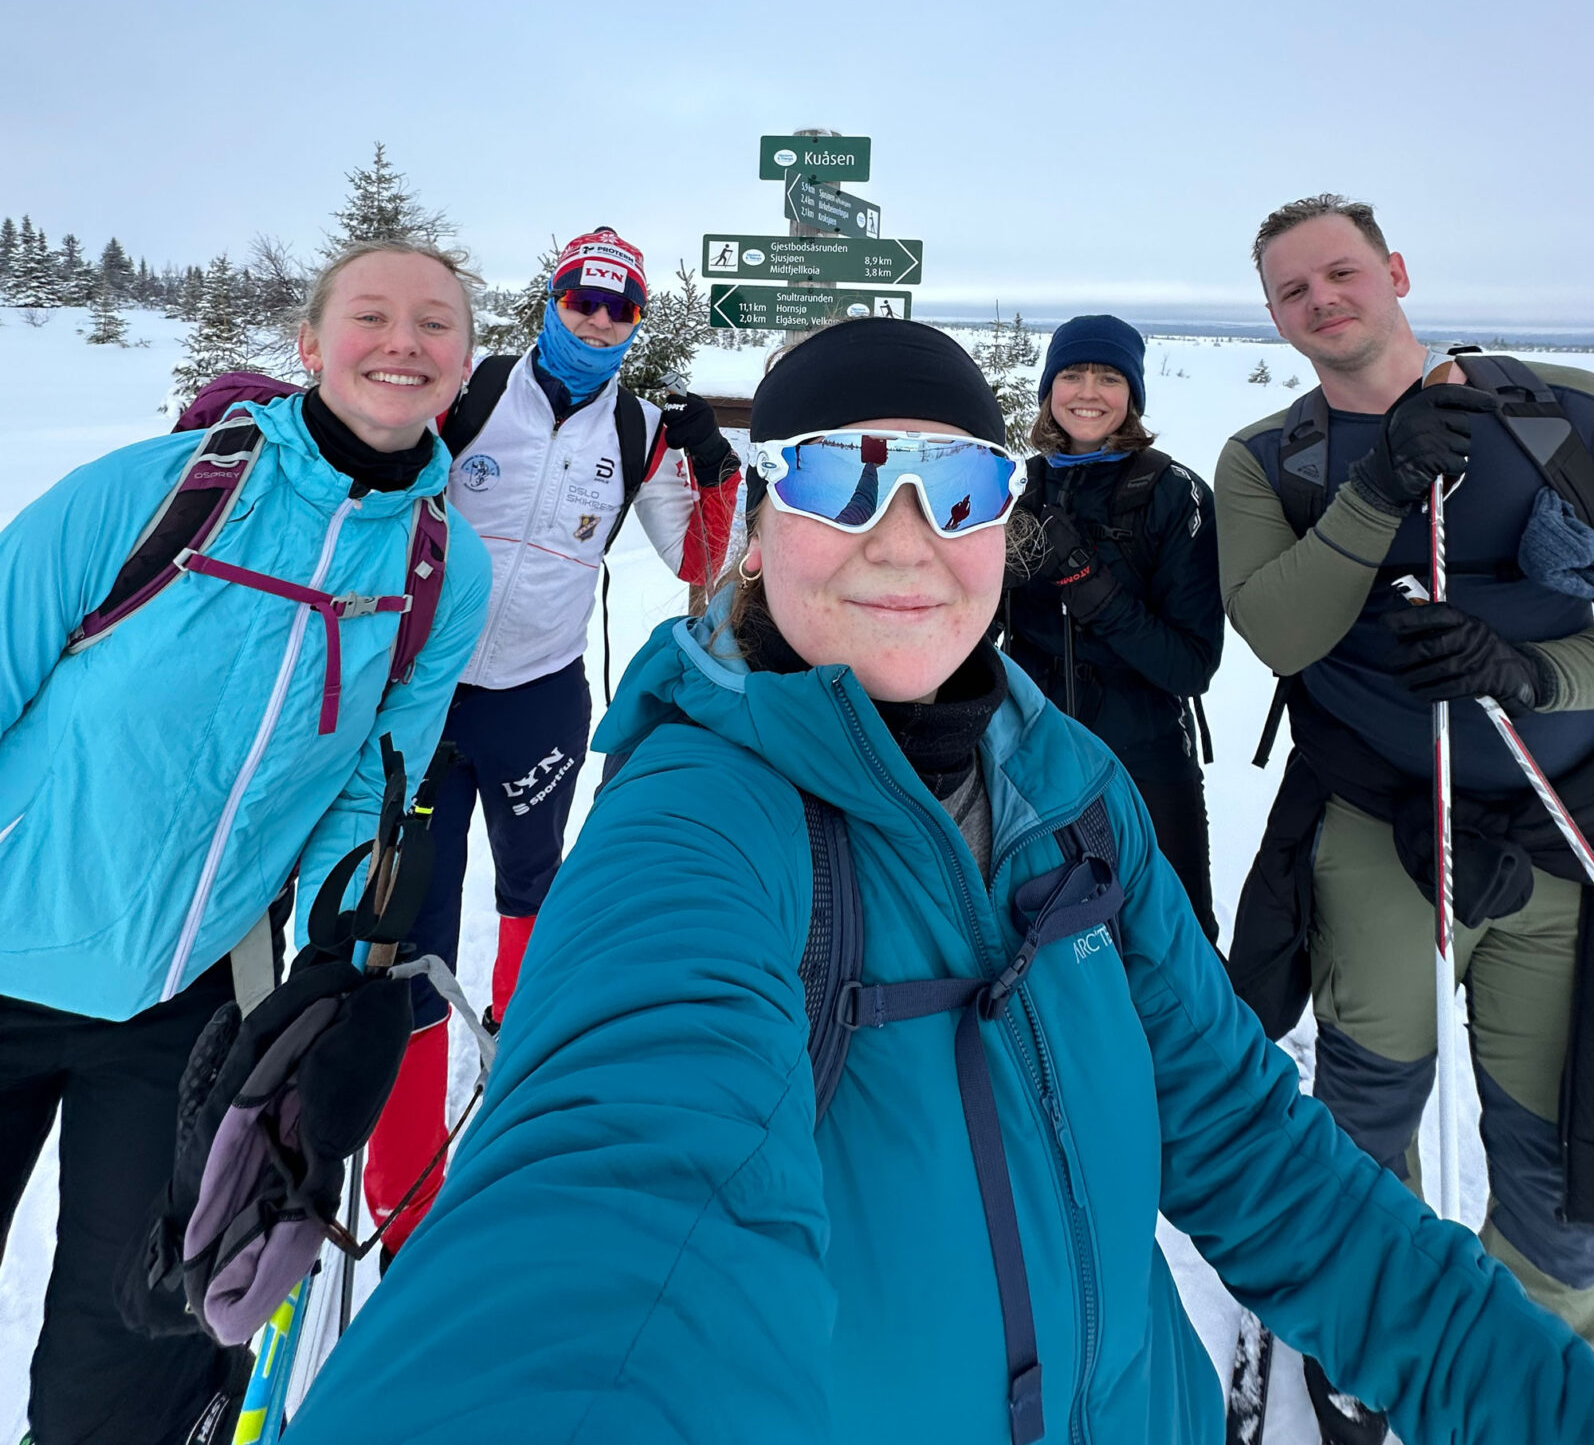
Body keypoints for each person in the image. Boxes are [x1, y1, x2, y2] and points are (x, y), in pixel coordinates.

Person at [288, 317, 1594, 1445]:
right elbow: (613, 1207)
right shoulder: (693, 822)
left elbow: (1260, 1159)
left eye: (957, 486)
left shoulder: (1073, 793)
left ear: (1000, 524)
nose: (904, 539)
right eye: (840, 480)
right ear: (751, 530)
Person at [0, 239, 491, 1445]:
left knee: (130, 1370)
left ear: (464, 365)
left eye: (436, 324)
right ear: (310, 345)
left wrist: (328, 978)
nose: (403, 342)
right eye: (371, 315)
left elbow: (376, 780)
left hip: (190, 999)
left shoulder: (443, 569)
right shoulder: (150, 490)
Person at [1218, 193, 1594, 1443]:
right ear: (1273, 315)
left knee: (1552, 1135)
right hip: (1378, 825)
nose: (1321, 301)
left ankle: (1537, 1347)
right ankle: (1382, 1334)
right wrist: (1377, 489)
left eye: (1339, 273)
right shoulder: (1270, 458)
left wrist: (1532, 672)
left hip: (1556, 839)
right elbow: (1277, 628)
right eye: (1291, 290)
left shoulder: (1553, 411)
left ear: (1394, 270)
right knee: (1372, 1100)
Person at [363, 226, 741, 1260]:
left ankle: (517, 1080)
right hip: (431, 697)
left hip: (540, 695)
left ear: (637, 322)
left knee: (534, 893)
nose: (600, 322)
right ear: (553, 299)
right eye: (585, 300)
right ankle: (404, 1182)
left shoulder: (639, 430)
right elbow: (373, 461)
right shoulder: (472, 391)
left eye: (621, 310)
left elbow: (704, 555)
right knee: (412, 928)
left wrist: (714, 471)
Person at [1003, 314, 1222, 946]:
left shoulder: (1174, 494)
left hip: (1146, 759)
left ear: (1132, 394)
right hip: (1032, 752)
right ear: (1050, 390)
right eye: (1071, 374)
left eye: (1109, 376)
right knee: (1043, 939)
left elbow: (1191, 666)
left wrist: (1086, 584)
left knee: (1171, 940)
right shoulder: (1021, 486)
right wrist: (993, 585)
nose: (1088, 392)